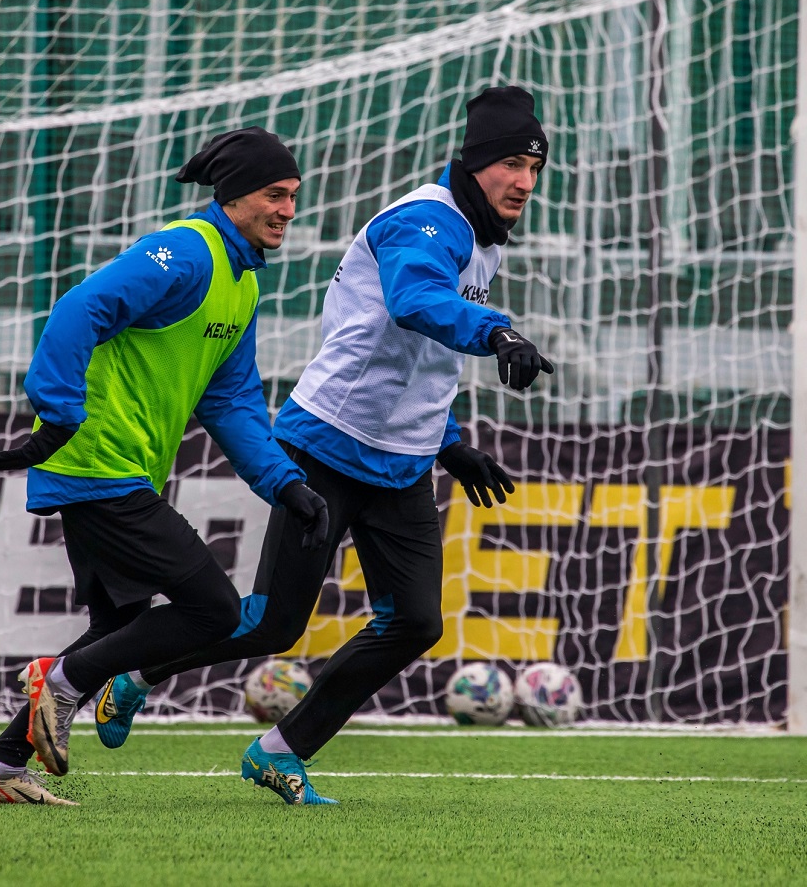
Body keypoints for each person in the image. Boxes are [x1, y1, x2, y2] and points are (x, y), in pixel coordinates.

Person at [90, 85, 556, 805]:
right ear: (476, 163)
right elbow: (415, 303)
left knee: (415, 622)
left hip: (399, 463)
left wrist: (450, 443)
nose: (525, 183)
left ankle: (280, 750)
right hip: (329, 447)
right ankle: (133, 671)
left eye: (536, 170)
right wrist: (496, 331)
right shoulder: (428, 221)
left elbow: (414, 360)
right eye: (512, 167)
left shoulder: (477, 235)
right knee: (274, 623)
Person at [0, 127, 330, 806]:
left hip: (124, 471)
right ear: (235, 197)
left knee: (116, 629)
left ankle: (1, 766)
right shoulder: (188, 249)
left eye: (294, 198)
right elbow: (80, 308)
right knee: (214, 609)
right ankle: (61, 681)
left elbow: (232, 398)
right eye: (275, 196)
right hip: (97, 462)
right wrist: (60, 409)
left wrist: (286, 483)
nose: (288, 210)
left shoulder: (242, 282)